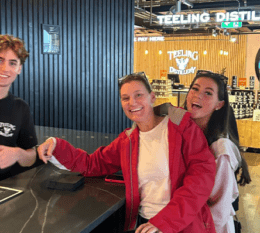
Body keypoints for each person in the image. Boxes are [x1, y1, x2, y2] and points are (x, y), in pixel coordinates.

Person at [38, 72, 217, 233]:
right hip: (144, 224)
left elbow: (201, 178)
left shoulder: (182, 127)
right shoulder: (128, 141)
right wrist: (56, 145)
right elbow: (93, 164)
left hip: (183, 225)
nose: (132, 103)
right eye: (125, 98)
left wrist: (165, 222)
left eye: (138, 95)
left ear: (152, 97)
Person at [184, 70, 251, 233]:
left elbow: (219, 210)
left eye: (208, 93)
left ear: (219, 104)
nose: (197, 96)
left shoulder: (221, 149)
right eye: (195, 88)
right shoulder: (187, 132)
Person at [0, 34, 38, 180]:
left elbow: (31, 156)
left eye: (12, 63)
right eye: (0, 60)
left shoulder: (20, 108)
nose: (5, 68)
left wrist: (17, 153)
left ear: (19, 69)